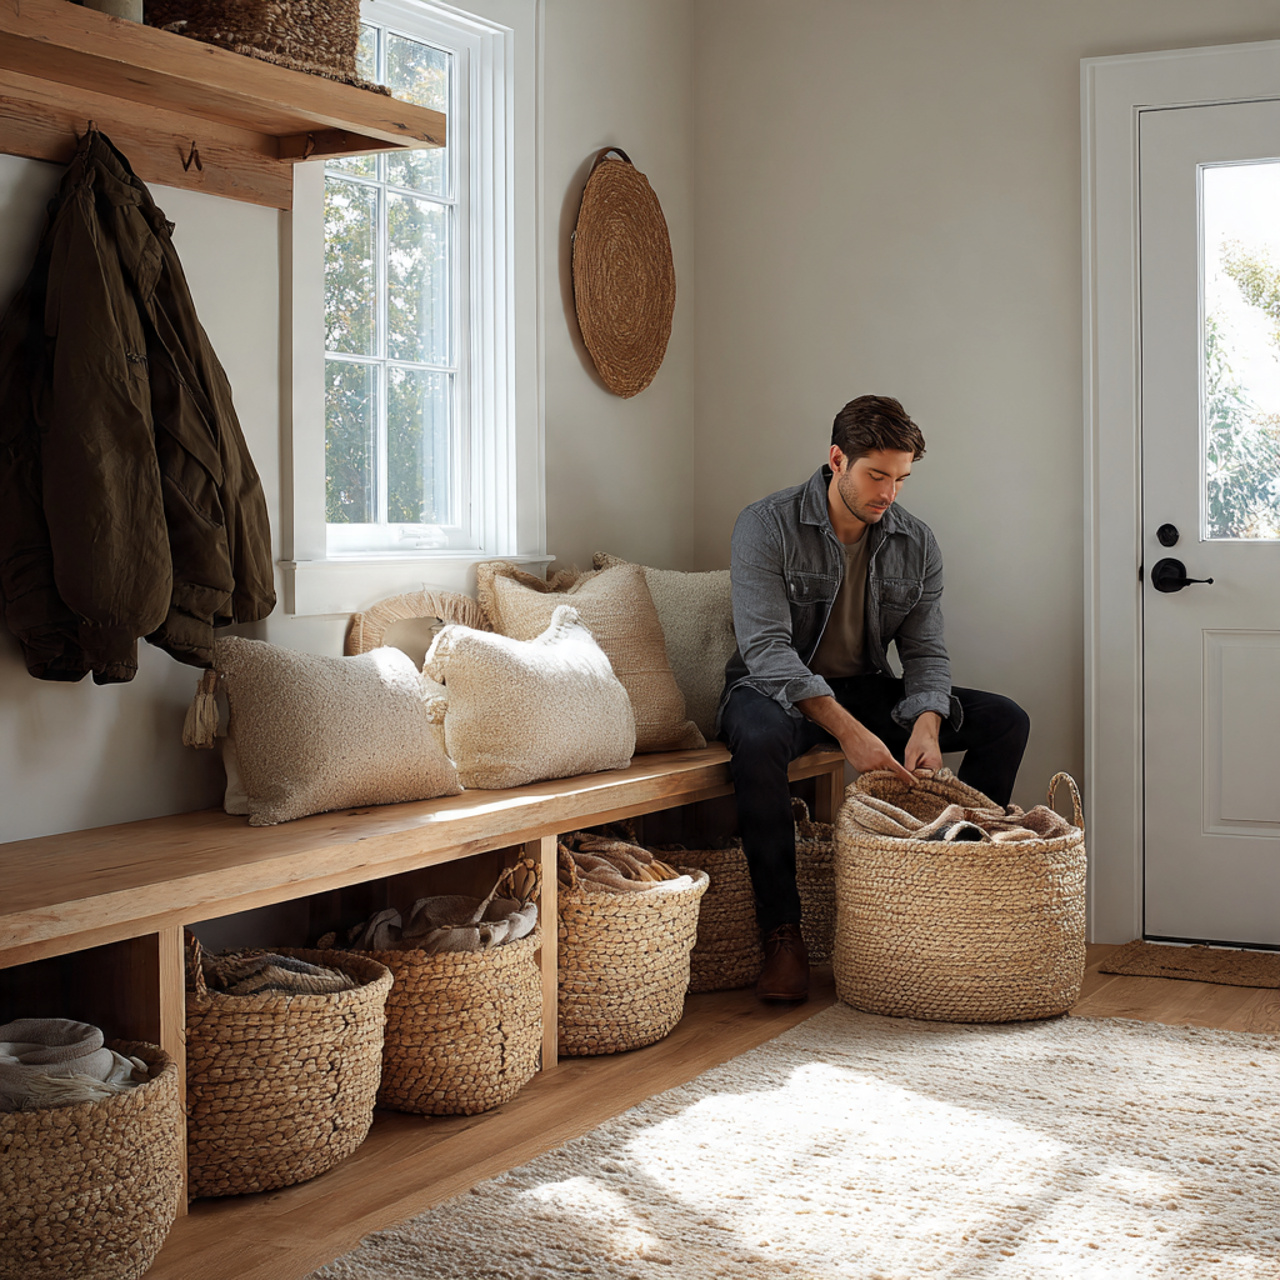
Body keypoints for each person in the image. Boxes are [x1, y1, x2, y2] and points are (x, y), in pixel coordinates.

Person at [718, 395, 1030, 1003]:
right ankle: (783, 935)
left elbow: (927, 655)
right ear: (837, 460)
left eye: (901, 478)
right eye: (876, 475)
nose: (889, 493)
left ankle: (953, 890)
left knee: (1004, 720)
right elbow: (767, 650)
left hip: (864, 686)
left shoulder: (916, 542)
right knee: (755, 740)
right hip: (772, 691)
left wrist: (927, 725)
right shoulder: (766, 524)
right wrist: (847, 731)